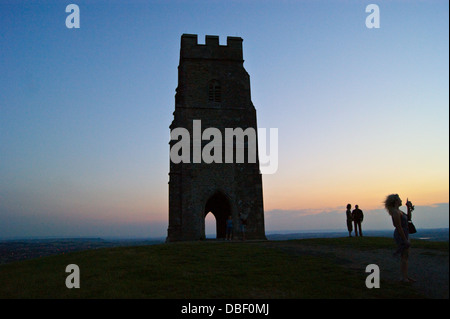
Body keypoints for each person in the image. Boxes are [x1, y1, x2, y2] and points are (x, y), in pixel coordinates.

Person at [384, 194, 416, 283]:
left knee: (405, 256)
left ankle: (405, 276)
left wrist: (408, 208)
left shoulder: (398, 211)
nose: (401, 200)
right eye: (399, 199)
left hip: (404, 233)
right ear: (396, 201)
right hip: (401, 234)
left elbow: (408, 218)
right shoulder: (395, 212)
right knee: (404, 256)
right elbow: (398, 226)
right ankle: (404, 278)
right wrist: (405, 239)